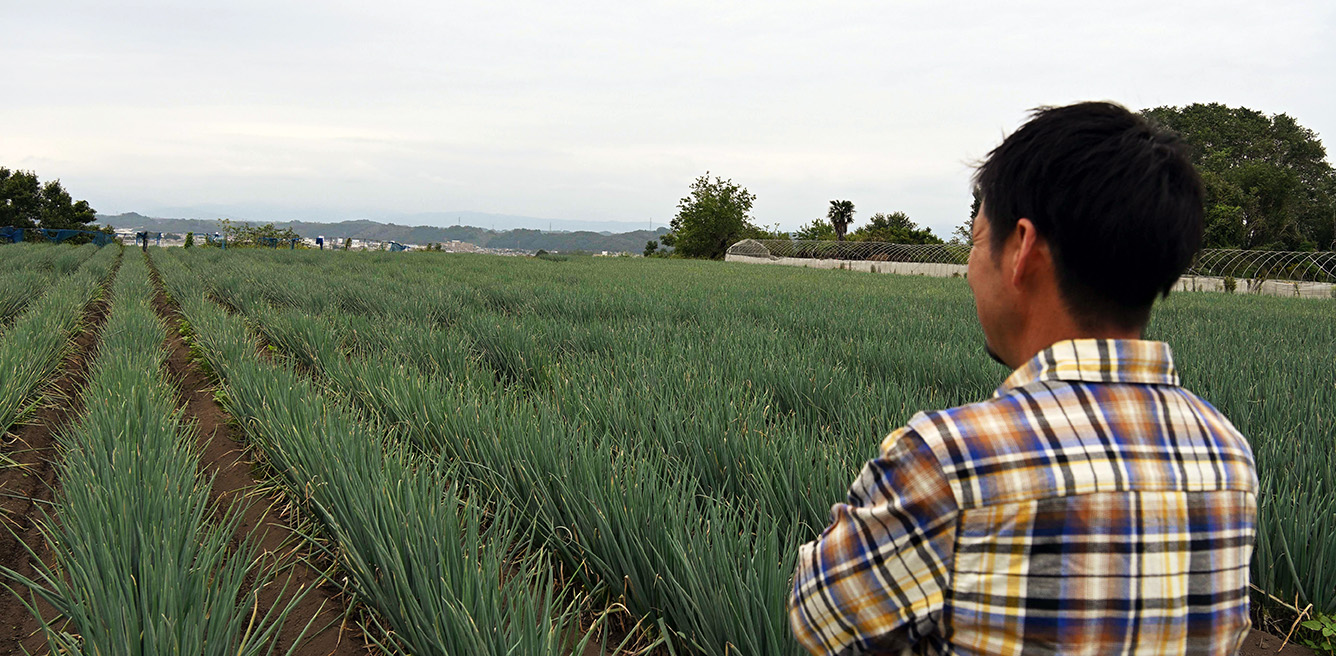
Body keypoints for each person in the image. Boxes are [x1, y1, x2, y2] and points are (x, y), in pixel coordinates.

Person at [789, 102, 1258, 655]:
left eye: (976, 239)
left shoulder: (950, 461)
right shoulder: (1228, 454)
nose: (971, 267)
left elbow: (820, 620)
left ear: (1023, 250)